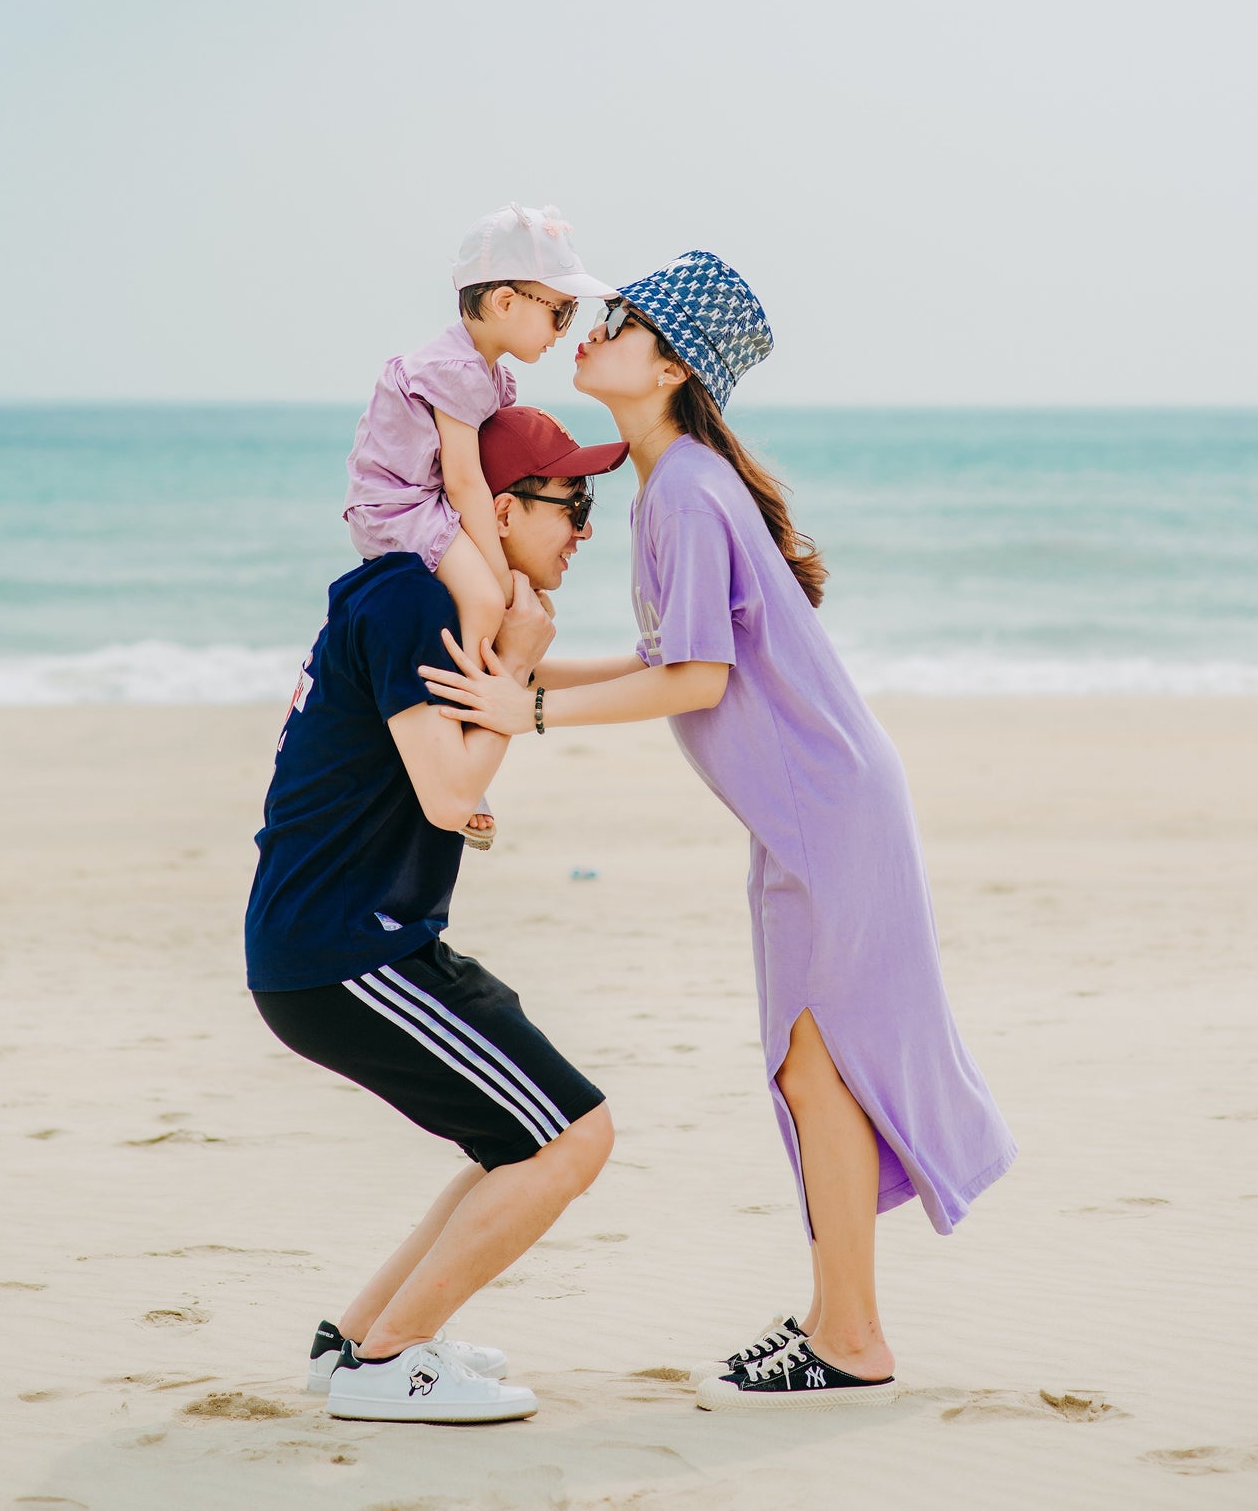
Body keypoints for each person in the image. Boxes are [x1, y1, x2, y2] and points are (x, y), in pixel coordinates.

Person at [421, 250, 1018, 1415]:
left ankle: (849, 1334)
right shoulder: (672, 487)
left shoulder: (688, 489)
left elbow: (698, 680)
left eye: (623, 321)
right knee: (813, 1069)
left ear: (674, 364)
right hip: (810, 815)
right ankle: (844, 1324)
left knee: (815, 1064)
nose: (591, 329)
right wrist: (525, 672)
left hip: (829, 814)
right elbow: (664, 664)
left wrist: (527, 710)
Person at [246, 403, 628, 1425]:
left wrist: (672, 666)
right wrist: (512, 668)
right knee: (570, 1139)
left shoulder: (416, 599)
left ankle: (359, 1345)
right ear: (501, 510)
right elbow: (454, 797)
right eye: (572, 503)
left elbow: (524, 685)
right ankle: (391, 1364)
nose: (586, 529)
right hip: (345, 953)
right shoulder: (412, 602)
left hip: (347, 946)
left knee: (520, 1140)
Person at [343, 201, 615, 672]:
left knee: (489, 595)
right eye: (562, 313)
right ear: (505, 302)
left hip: (420, 503)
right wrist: (505, 586)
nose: (563, 332)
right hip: (400, 507)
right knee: (488, 602)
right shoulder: (459, 371)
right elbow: (465, 482)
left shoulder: (483, 372)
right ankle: (478, 689)